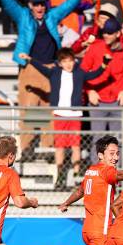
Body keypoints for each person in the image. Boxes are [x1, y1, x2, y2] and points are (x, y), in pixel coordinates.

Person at [0, 0, 91, 156]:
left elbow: (69, 4)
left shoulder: (51, 16)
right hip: (29, 67)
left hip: (51, 68)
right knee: (28, 108)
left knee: (50, 108)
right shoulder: (23, 16)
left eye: (42, 4)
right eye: (36, 4)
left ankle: (47, 148)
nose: (39, 8)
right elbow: (9, 4)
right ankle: (25, 148)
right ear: (30, 5)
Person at [19, 48, 108, 189]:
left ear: (74, 61)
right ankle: (60, 174)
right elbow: (41, 68)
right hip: (59, 114)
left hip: (75, 114)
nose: (68, 64)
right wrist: (29, 59)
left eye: (70, 61)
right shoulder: (54, 72)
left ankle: (77, 175)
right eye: (64, 61)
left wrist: (104, 64)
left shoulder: (79, 73)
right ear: (60, 63)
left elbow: (94, 75)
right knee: (59, 146)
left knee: (75, 146)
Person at [81, 17, 123, 162]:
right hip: (97, 101)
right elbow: (82, 73)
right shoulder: (95, 48)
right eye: (104, 32)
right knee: (98, 139)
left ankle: (117, 174)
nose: (106, 35)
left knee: (117, 140)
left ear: (118, 34)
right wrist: (89, 91)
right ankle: (97, 173)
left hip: (118, 101)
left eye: (110, 33)